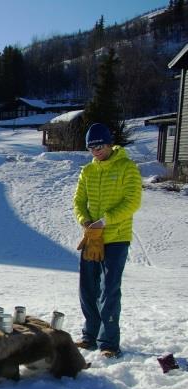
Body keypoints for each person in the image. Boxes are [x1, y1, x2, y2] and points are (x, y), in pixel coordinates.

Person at [73, 123, 142, 359]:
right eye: (91, 148)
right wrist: (84, 220)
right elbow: (79, 201)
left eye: (99, 146)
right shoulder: (87, 172)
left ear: (110, 143)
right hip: (93, 237)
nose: (96, 151)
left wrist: (106, 221)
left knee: (108, 290)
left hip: (116, 238)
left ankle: (109, 342)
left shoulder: (127, 168)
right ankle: (89, 335)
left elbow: (132, 201)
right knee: (87, 288)